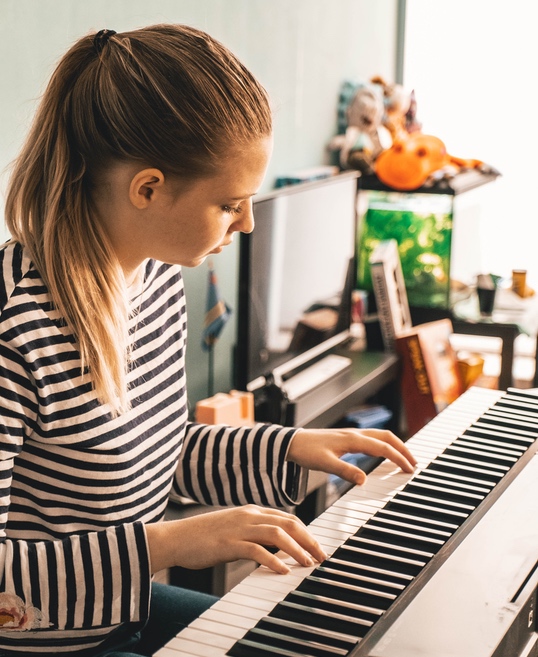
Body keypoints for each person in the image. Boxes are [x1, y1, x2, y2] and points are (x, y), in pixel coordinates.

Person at [0, 24, 417, 656]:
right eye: (230, 204)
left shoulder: (159, 281)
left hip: (119, 612)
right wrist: (172, 544)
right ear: (147, 188)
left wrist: (290, 449)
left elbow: (150, 454)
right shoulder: (14, 327)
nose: (246, 224)